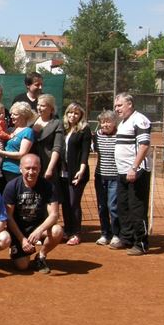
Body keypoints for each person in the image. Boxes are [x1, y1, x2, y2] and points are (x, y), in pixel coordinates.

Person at [3, 153, 63, 274]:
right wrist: (22, 239)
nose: (31, 172)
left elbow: (54, 215)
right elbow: (8, 216)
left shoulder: (48, 186)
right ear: (20, 169)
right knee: (22, 266)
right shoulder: (12, 186)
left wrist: (39, 230)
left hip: (39, 228)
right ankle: (16, 249)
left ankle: (41, 256)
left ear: (40, 169)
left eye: (34, 168)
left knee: (57, 231)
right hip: (19, 230)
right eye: (27, 168)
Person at [113, 92, 152, 255]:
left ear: (130, 104)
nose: (117, 109)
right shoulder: (123, 122)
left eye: (119, 105)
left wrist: (134, 167)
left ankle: (141, 243)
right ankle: (126, 238)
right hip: (122, 172)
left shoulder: (139, 119)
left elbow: (144, 145)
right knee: (123, 206)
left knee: (137, 208)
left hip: (136, 172)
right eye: (115, 106)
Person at [59, 102, 92, 246]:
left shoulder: (84, 129)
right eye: (70, 112)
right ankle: (67, 231)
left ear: (81, 115)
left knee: (74, 203)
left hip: (77, 173)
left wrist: (81, 170)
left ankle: (76, 233)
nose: (73, 115)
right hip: (63, 172)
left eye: (76, 113)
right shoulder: (64, 129)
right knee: (65, 203)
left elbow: (85, 151)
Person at [92, 110, 122, 247]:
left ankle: (117, 234)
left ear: (115, 122)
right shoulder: (97, 135)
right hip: (100, 176)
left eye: (108, 122)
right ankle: (105, 233)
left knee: (113, 206)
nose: (105, 125)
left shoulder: (120, 135)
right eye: (102, 122)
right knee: (102, 206)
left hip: (115, 177)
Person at [0, 101, 35, 184]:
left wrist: (0, 152)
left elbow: (21, 154)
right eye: (11, 114)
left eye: (15, 114)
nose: (11, 116)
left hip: (14, 171)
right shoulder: (9, 130)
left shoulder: (28, 131)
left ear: (23, 116)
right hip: (2, 170)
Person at [30, 93, 63, 184]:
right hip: (31, 163)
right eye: (38, 105)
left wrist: (50, 168)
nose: (39, 108)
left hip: (47, 164)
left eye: (43, 106)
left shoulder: (57, 123)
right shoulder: (31, 120)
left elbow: (57, 148)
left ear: (51, 109)